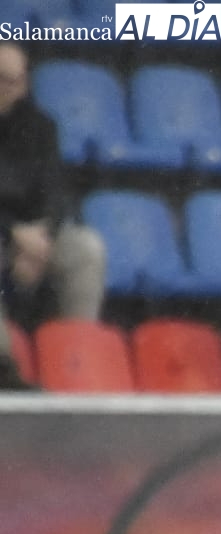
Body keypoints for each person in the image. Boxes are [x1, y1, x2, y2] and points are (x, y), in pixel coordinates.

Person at [0, 43, 106, 390]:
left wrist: (42, 238)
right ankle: (3, 366)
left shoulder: (40, 126)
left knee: (86, 249)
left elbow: (55, 190)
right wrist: (15, 234)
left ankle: (76, 359)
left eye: (13, 81)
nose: (6, 89)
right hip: (8, 234)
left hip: (34, 238)